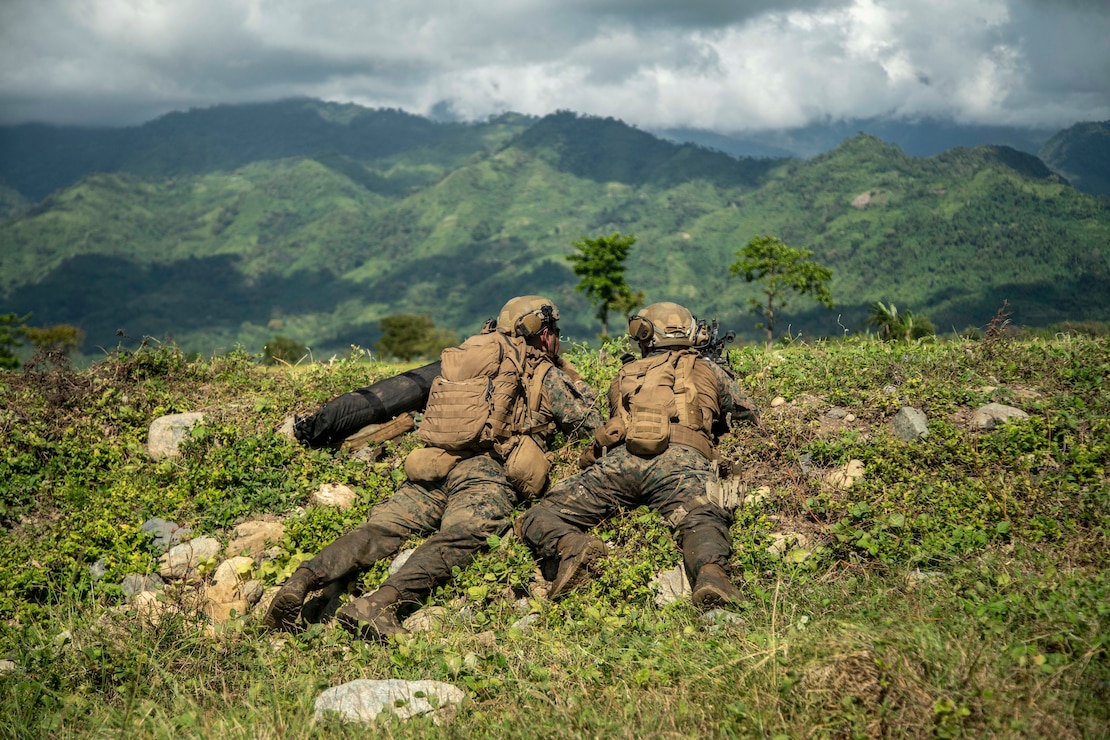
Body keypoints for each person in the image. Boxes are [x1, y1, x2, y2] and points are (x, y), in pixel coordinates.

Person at [263, 296, 600, 639]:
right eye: (555, 330)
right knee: (463, 536)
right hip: (486, 474)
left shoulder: (468, 357)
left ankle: (301, 580)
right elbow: (590, 424)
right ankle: (379, 605)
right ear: (543, 334)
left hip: (433, 464)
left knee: (379, 530)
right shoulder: (542, 371)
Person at [517, 301, 759, 607]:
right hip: (682, 462)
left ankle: (574, 547)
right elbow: (749, 413)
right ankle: (711, 574)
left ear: (644, 336)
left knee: (541, 515)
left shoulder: (624, 375)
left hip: (622, 462)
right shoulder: (707, 369)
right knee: (702, 517)